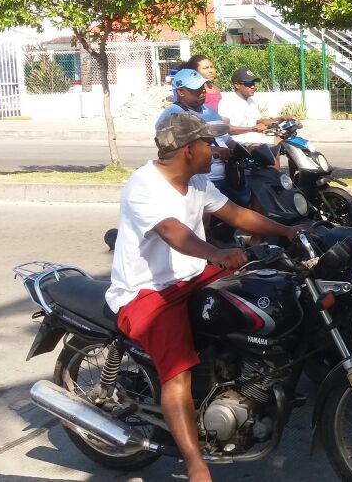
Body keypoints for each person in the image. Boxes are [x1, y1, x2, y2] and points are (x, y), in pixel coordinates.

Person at [105, 112, 307, 482]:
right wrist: (216, 253)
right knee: (177, 373)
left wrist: (289, 232)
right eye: (206, 144)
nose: (214, 150)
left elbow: (235, 214)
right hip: (149, 293)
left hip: (193, 277)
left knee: (263, 292)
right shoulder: (144, 185)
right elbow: (173, 232)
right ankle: (196, 465)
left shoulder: (196, 181)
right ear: (187, 150)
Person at [157, 69, 251, 207]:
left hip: (228, 176)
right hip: (202, 180)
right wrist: (215, 151)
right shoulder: (173, 116)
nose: (202, 91)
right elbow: (173, 151)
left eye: (203, 87)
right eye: (196, 89)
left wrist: (243, 150)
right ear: (181, 92)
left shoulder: (209, 110)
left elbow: (225, 139)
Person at [219, 68, 298, 136]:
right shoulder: (227, 102)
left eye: (253, 83)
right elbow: (224, 128)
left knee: (282, 141)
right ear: (237, 85)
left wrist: (282, 118)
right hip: (238, 143)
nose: (253, 86)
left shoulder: (251, 101)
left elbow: (259, 121)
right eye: (248, 83)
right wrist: (252, 129)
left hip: (253, 138)